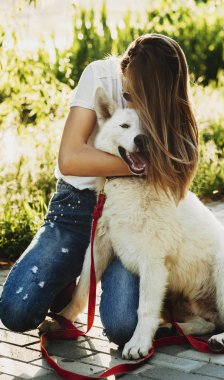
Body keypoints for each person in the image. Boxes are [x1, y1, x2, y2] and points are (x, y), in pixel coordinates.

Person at [0, 34, 198, 347]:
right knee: (15, 310)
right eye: (130, 95)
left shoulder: (169, 105)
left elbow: (179, 168)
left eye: (141, 97)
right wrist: (143, 164)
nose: (132, 104)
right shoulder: (100, 75)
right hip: (75, 209)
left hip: (129, 218)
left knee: (122, 327)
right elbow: (70, 158)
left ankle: (100, 282)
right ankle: (66, 279)